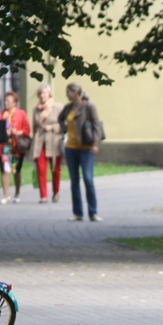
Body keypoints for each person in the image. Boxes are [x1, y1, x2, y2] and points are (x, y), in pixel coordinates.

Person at [58, 82, 103, 222]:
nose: (67, 94)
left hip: (86, 149)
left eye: (68, 91)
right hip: (70, 148)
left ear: (76, 92)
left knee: (88, 180)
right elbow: (60, 119)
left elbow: (96, 126)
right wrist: (64, 128)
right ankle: (78, 213)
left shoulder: (89, 106)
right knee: (74, 181)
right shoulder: (68, 107)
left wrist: (96, 144)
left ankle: (93, 213)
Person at [30, 84, 64, 203]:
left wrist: (53, 127)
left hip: (54, 140)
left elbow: (64, 125)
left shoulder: (58, 107)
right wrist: (33, 143)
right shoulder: (36, 109)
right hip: (40, 141)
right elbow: (34, 127)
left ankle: (56, 192)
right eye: (40, 93)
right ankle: (43, 196)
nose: (42, 95)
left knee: (55, 169)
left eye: (44, 93)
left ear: (49, 94)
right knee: (41, 168)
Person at [0, 91, 31, 204]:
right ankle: (6, 195)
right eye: (5, 100)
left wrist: (19, 132)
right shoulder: (2, 114)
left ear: (15, 102)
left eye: (8, 101)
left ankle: (17, 193)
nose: (6, 103)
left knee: (16, 170)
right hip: (4, 146)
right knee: (4, 170)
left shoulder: (21, 113)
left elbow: (27, 129)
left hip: (16, 146)